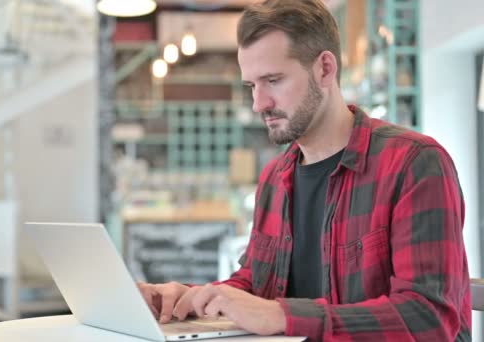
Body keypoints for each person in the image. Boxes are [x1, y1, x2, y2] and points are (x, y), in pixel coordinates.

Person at [138, 0, 472, 340]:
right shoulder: (275, 178)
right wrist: (190, 299)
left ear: (325, 69)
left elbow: (429, 319)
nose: (259, 103)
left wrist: (284, 315)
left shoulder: (414, 163)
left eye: (273, 80)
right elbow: (257, 284)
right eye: (252, 86)